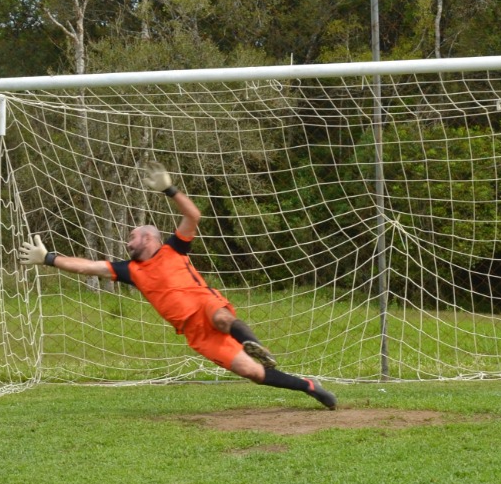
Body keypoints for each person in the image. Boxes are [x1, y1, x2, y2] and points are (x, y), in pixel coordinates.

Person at [19, 166, 337, 409]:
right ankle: (308, 386)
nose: (127, 242)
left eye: (132, 236)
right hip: (193, 332)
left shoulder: (175, 248)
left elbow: (193, 214)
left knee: (223, 319)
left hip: (205, 304)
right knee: (251, 373)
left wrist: (170, 189)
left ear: (149, 238)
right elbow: (87, 266)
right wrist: (49, 258)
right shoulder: (128, 270)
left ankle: (256, 345)